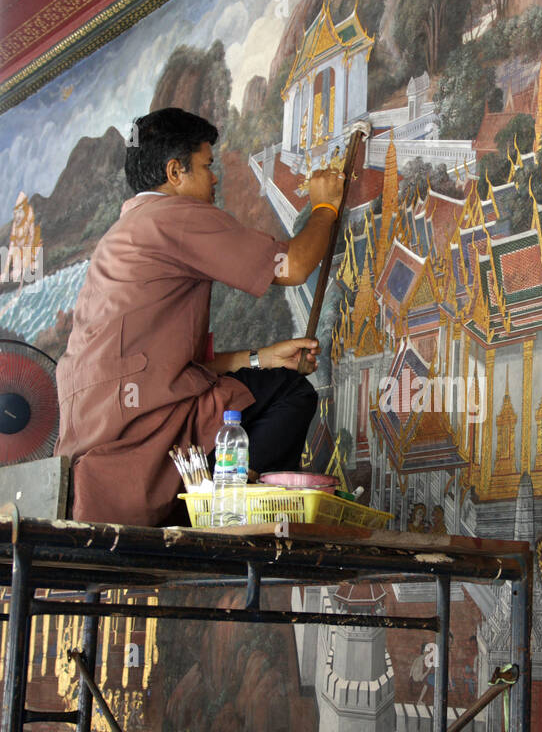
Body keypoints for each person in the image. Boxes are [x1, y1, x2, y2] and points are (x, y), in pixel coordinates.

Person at [55, 107, 344, 526]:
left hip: (96, 458)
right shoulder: (173, 217)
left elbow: (168, 367)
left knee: (271, 378)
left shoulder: (121, 236)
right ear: (175, 172)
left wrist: (261, 356)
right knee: (291, 391)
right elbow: (294, 267)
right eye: (206, 166)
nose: (214, 178)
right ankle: (225, 517)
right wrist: (324, 207)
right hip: (141, 439)